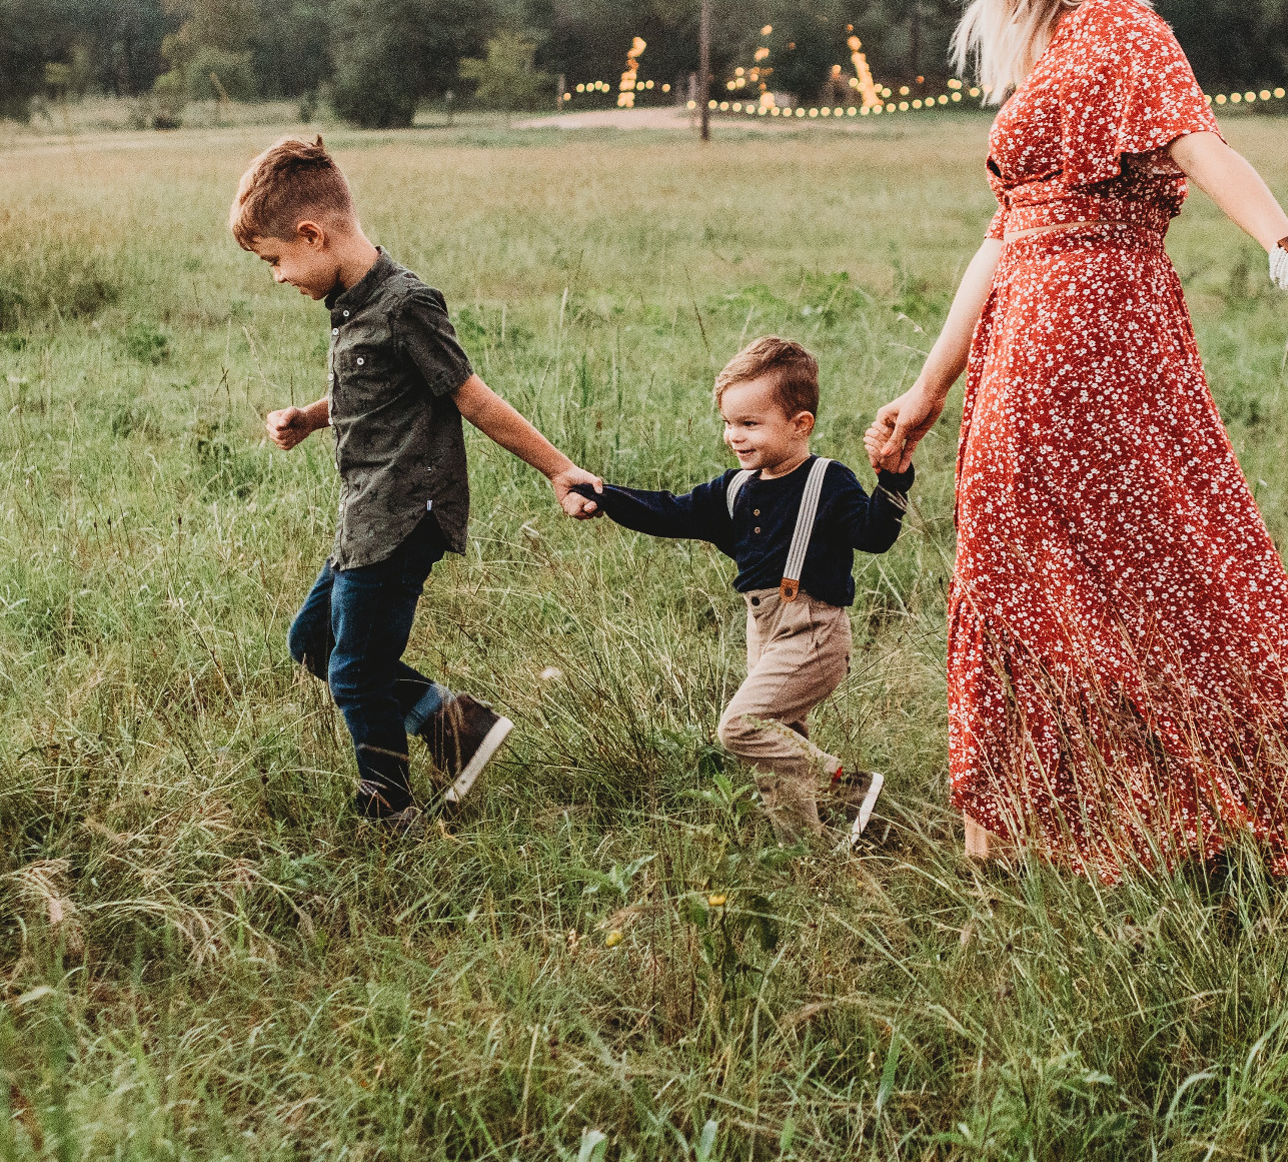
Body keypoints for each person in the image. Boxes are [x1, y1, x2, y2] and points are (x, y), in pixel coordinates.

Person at [865, 0, 1288, 887]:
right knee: (1029, 579)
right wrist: (926, 389)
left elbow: (1203, 144)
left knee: (1181, 578)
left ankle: (1245, 824)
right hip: (1034, 339)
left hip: (1091, 336)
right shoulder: (1049, 51)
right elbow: (1004, 238)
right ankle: (1039, 833)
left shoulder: (1120, 26)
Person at [232, 136, 600, 831]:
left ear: (313, 234)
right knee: (312, 641)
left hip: (403, 516)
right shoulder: (350, 304)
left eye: (276, 260)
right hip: (363, 515)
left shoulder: (406, 303)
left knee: (354, 671)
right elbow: (370, 392)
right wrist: (311, 417)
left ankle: (389, 807)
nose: (278, 276)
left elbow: (472, 398)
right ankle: (456, 727)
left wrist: (560, 469)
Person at [571, 336, 909, 846]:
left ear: (801, 425)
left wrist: (893, 481)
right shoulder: (734, 489)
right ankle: (808, 856)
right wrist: (604, 496)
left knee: (742, 728)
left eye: (750, 424)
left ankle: (847, 785)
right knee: (778, 747)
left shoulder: (828, 481)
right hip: (764, 631)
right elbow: (669, 511)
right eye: (729, 423)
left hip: (814, 632)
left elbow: (875, 537)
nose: (735, 436)